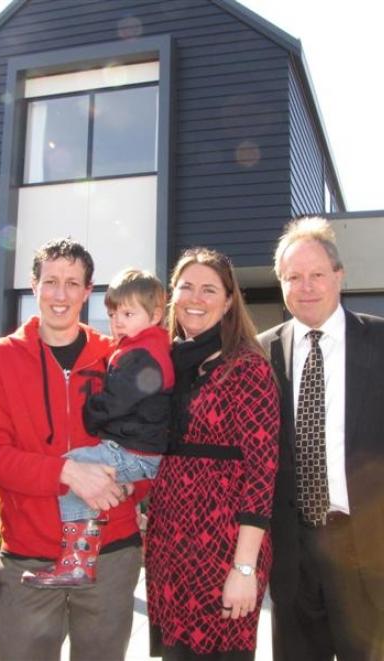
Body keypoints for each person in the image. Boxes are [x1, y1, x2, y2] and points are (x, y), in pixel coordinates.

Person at [0, 239, 147, 661]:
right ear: (34, 286)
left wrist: (128, 489)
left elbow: (147, 441)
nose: (61, 295)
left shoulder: (117, 357)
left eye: (73, 283)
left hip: (110, 553)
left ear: (89, 291)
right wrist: (67, 473)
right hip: (29, 558)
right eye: (51, 281)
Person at [258, 216, 384, 661]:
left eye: (316, 275)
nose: (306, 286)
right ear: (281, 284)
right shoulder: (262, 351)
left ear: (339, 276)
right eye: (294, 277)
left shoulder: (380, 340)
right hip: (293, 552)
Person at [146, 247, 280, 661]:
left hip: (223, 550)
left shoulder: (247, 367)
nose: (196, 298)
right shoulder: (166, 363)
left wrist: (243, 569)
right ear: (173, 296)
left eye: (209, 289)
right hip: (169, 547)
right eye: (186, 287)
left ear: (227, 302)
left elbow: (263, 473)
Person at [23, 267, 174, 588]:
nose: (118, 321)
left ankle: (77, 561)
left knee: (76, 466)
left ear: (156, 314)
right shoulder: (147, 346)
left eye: (128, 313)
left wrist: (90, 411)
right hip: (143, 449)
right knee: (85, 469)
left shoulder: (140, 356)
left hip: (137, 451)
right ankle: (83, 552)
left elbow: (115, 402)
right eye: (113, 313)